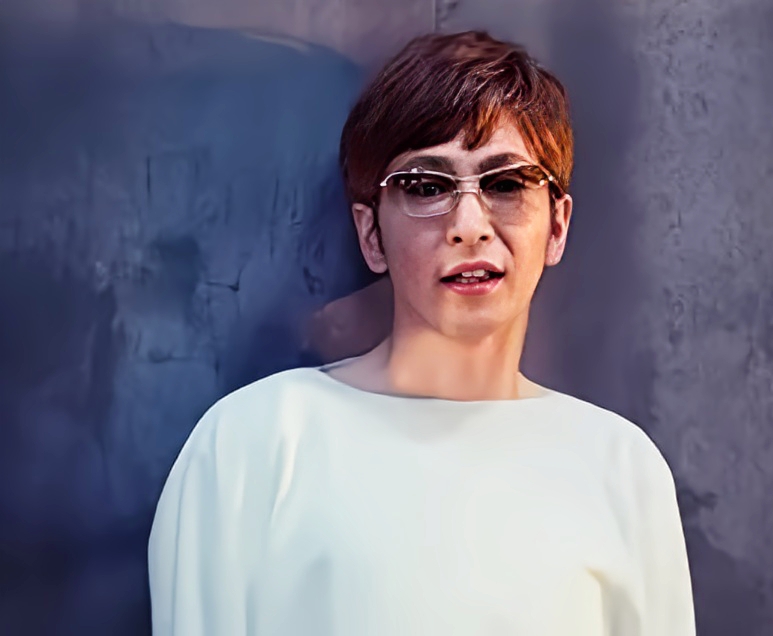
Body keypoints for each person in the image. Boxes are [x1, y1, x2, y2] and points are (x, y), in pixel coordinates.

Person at [147, 30, 696, 636]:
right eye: (427, 187)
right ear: (372, 235)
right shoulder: (252, 445)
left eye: (506, 183)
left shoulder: (621, 468)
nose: (469, 226)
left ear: (557, 226)